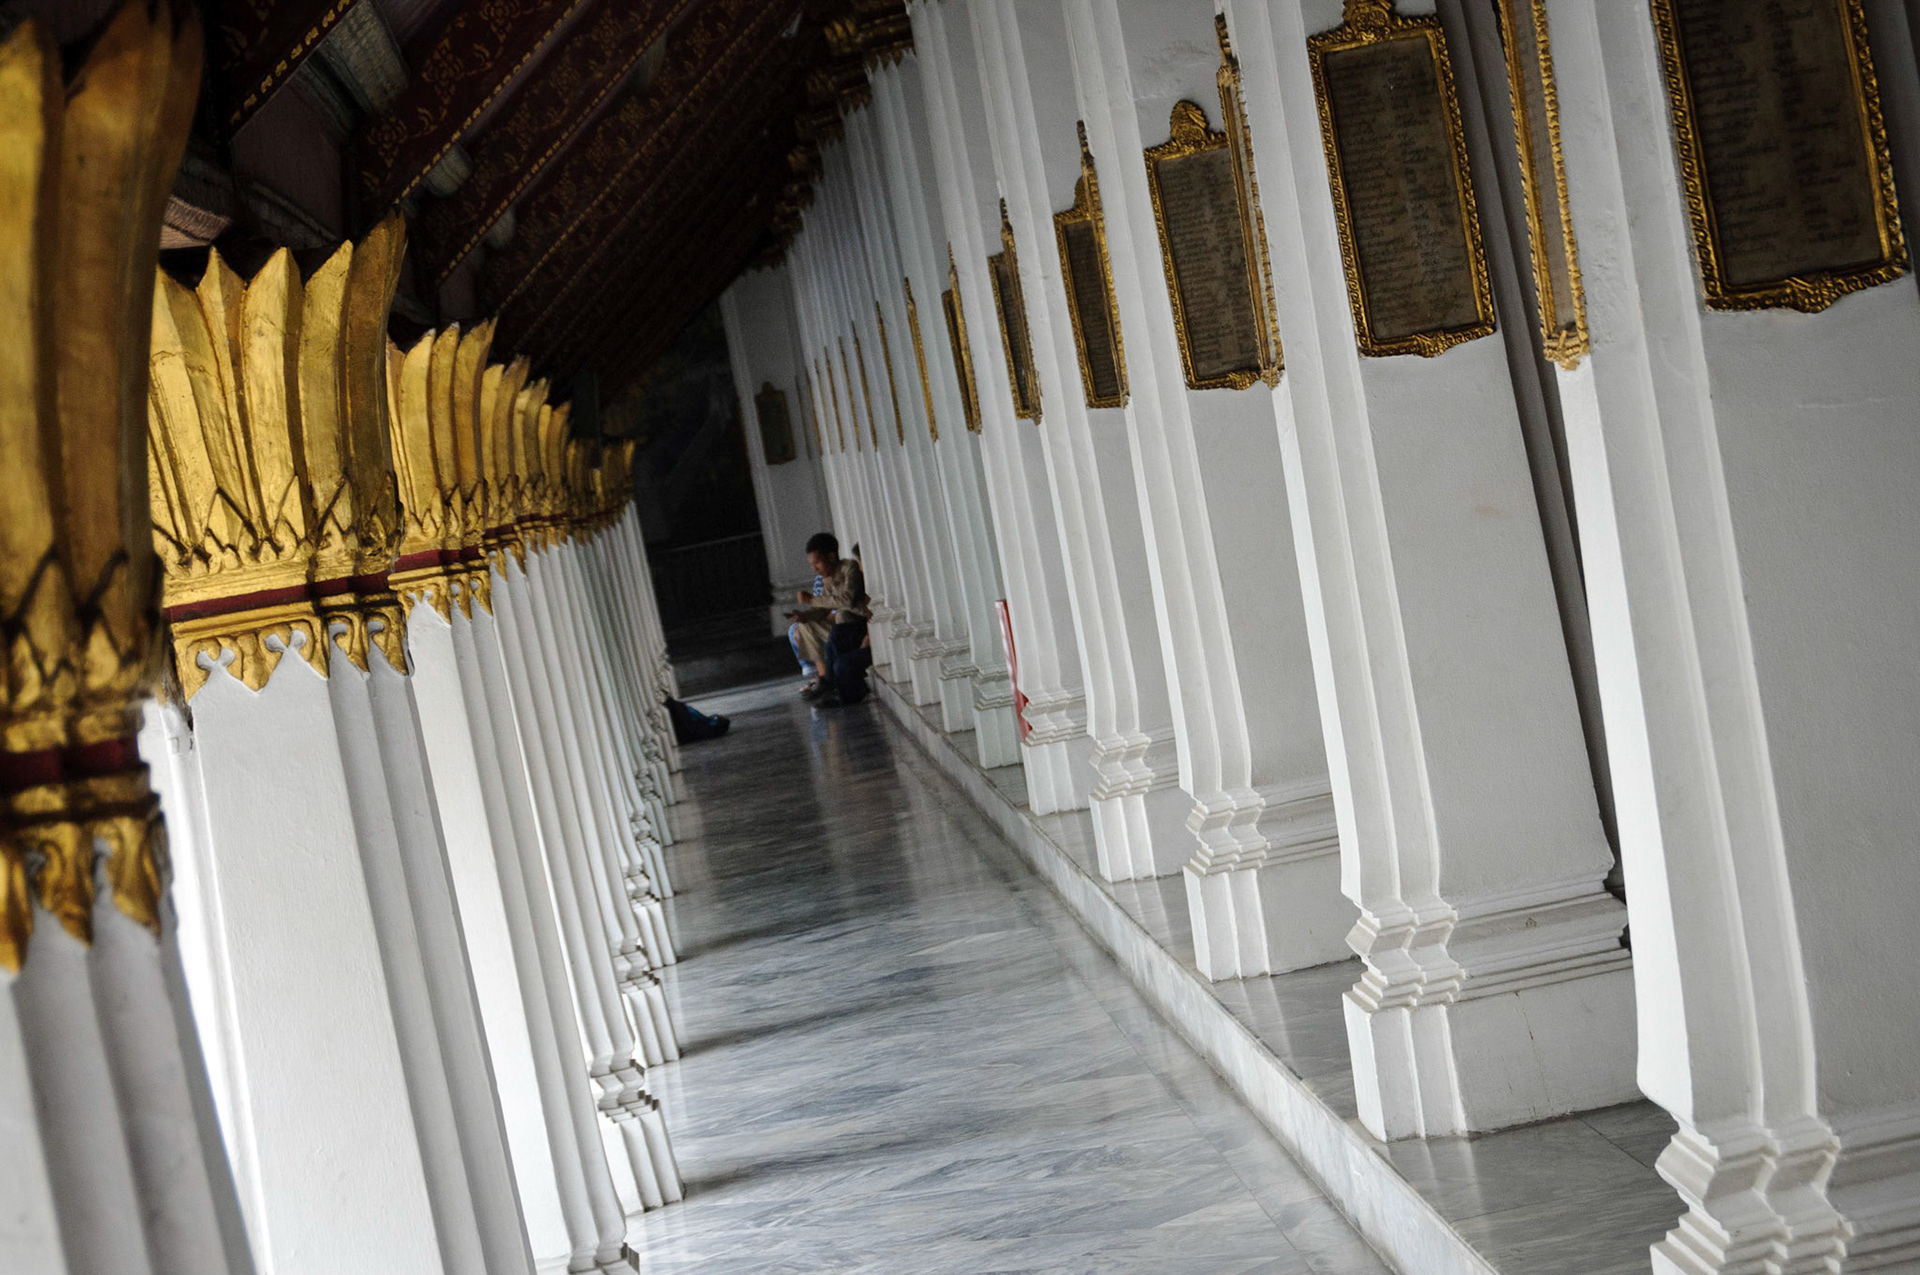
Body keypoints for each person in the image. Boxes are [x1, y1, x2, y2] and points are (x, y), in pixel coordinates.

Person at [785, 531, 870, 705]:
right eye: (811, 564)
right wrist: (804, 615)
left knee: (842, 618)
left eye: (817, 562)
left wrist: (812, 599)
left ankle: (829, 682)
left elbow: (847, 600)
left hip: (859, 625)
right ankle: (825, 678)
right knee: (806, 624)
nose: (814, 568)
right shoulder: (828, 579)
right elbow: (823, 609)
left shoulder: (849, 568)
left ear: (831, 556)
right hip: (846, 629)